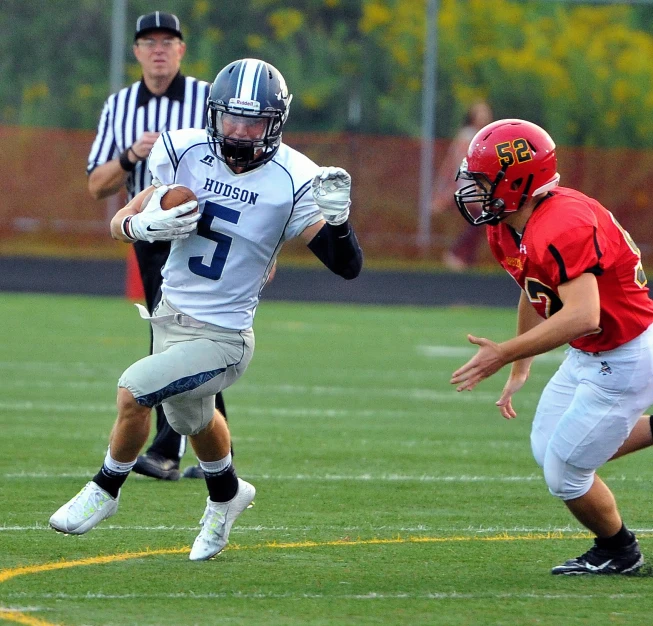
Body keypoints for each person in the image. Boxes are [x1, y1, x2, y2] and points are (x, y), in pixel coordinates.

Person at [50, 58, 363, 561]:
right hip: (170, 314)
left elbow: (346, 266)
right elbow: (122, 217)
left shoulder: (295, 177)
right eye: (231, 119)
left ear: (275, 123)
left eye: (252, 122)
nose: (239, 132)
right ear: (213, 114)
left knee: (134, 392)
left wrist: (339, 222)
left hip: (224, 337)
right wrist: (137, 228)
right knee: (196, 420)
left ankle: (104, 490)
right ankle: (227, 497)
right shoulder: (184, 148)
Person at [449, 118, 653, 576]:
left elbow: (585, 314)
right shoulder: (507, 224)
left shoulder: (561, 222)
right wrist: (521, 363)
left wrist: (504, 351)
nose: (473, 192)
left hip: (626, 354)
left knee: (565, 472)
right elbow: (533, 287)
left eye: (483, 182)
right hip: (589, 351)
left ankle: (621, 553)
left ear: (518, 181)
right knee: (549, 449)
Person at [86, 11, 226, 481]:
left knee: (198, 336)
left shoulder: (209, 98)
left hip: (205, 232)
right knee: (178, 336)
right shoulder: (120, 106)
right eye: (150, 41)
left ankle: (174, 450)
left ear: (182, 49)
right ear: (137, 51)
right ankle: (194, 453)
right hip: (149, 236)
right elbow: (97, 186)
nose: (159, 48)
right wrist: (132, 155)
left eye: (169, 40)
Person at [431, 101, 493, 271]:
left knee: (479, 222)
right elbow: (462, 163)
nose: (485, 115)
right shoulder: (468, 135)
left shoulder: (484, 135)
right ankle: (456, 254)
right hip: (469, 185)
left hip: (478, 186)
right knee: (479, 220)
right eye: (481, 112)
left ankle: (465, 259)